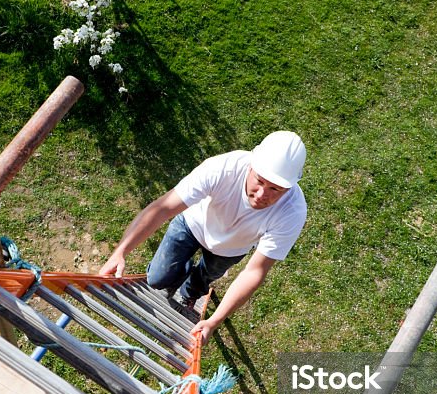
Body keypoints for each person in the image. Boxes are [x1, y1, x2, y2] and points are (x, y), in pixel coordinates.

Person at [98, 131, 308, 344]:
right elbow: (162, 208)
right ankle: (180, 269)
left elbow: (255, 270)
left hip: (230, 249)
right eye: (259, 181)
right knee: (156, 279)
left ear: (289, 187)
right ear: (251, 165)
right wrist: (121, 251)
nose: (262, 195)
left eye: (275, 189)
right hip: (193, 224)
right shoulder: (223, 168)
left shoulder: (293, 211)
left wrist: (213, 321)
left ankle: (190, 291)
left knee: (202, 279)